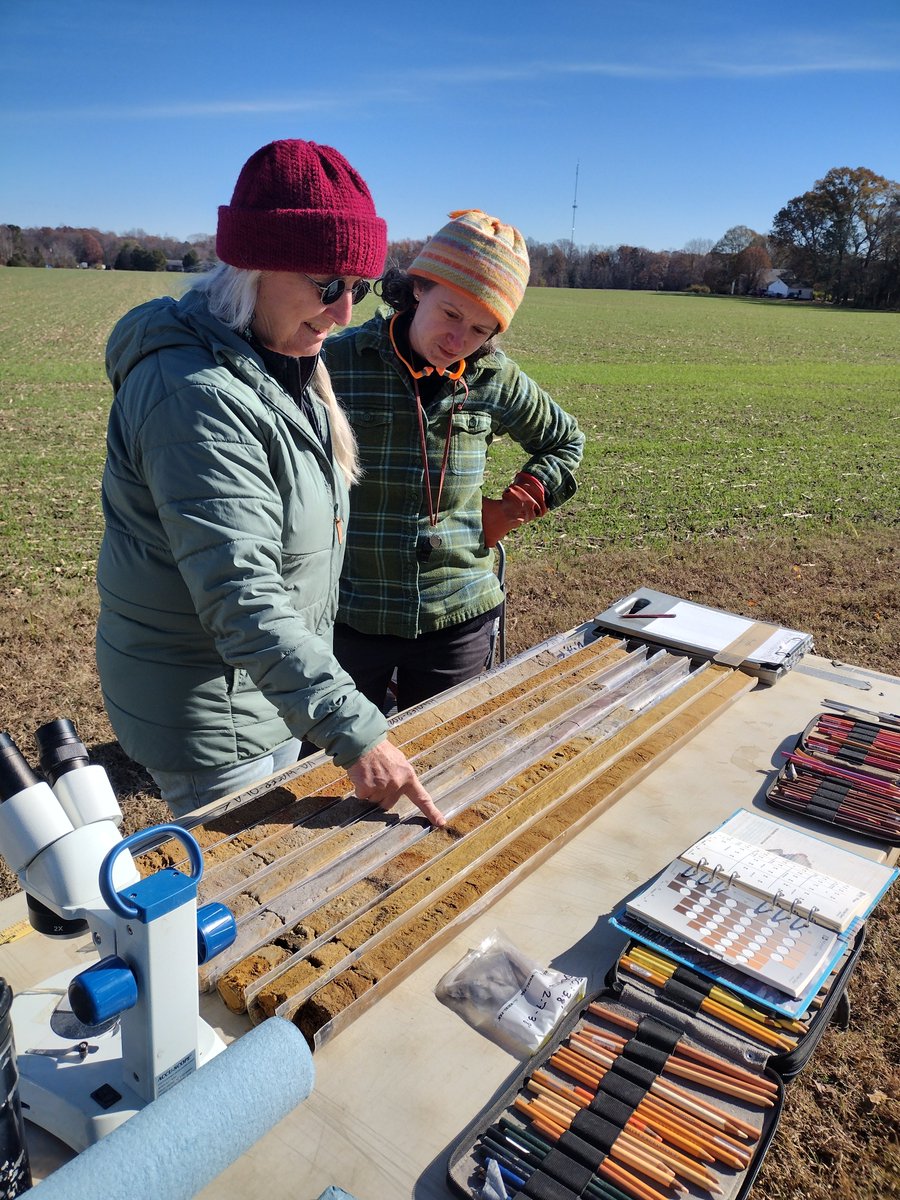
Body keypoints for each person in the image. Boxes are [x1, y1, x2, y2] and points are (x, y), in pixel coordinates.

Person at [95, 138, 442, 827]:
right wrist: (354, 731)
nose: (345, 312)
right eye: (328, 284)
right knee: (244, 881)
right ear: (252, 267)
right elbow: (242, 593)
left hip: (264, 692)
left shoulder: (279, 356)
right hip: (214, 712)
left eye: (359, 287)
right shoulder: (195, 393)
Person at [325, 209, 585, 713]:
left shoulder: (495, 378)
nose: (458, 340)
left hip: (458, 615)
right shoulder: (337, 364)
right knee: (335, 756)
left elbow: (565, 441)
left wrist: (510, 509)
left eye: (480, 329)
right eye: (450, 314)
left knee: (444, 746)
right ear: (419, 287)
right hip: (351, 613)